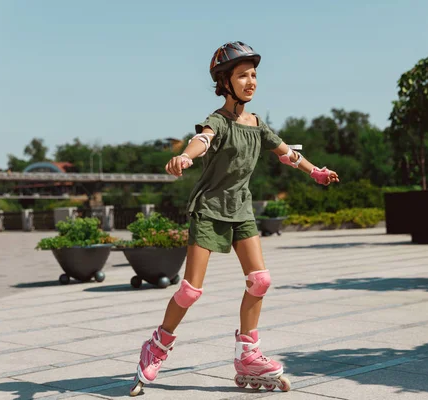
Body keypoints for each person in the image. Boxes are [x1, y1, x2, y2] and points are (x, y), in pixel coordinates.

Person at [130, 41, 339, 396]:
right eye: (243, 75)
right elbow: (203, 139)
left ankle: (248, 354)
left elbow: (287, 153)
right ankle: (157, 345)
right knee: (191, 290)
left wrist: (315, 172)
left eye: (254, 74)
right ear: (225, 82)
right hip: (210, 208)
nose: (251, 81)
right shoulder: (220, 120)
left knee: (260, 280)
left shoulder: (257, 124)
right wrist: (185, 156)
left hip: (240, 207)